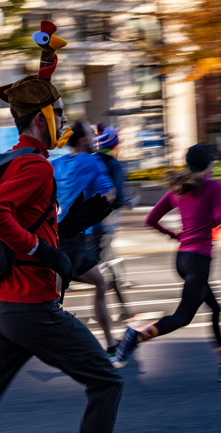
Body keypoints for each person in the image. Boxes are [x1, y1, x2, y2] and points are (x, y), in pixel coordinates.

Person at [0, 65, 123, 433]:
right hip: (31, 308)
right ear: (41, 118)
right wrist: (44, 253)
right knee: (107, 383)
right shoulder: (36, 167)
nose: (64, 121)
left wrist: (72, 224)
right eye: (60, 113)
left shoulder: (12, 160)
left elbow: (27, 221)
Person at [114, 144, 221, 381]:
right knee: (182, 318)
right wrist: (219, 214)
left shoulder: (179, 188)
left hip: (182, 259)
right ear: (210, 165)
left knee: (215, 308)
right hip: (198, 261)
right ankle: (135, 337)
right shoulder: (214, 186)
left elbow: (151, 219)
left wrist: (176, 235)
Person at [52, 119, 118, 359]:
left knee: (100, 283)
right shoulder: (92, 161)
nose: (94, 140)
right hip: (74, 241)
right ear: (82, 140)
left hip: (56, 237)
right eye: (91, 136)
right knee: (49, 302)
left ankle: (111, 346)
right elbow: (110, 195)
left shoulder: (55, 164)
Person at [92, 125, 137, 318]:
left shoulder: (91, 160)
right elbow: (117, 197)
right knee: (108, 264)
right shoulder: (114, 165)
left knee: (105, 263)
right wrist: (130, 201)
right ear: (115, 145)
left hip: (88, 223)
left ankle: (121, 308)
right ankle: (122, 310)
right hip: (106, 224)